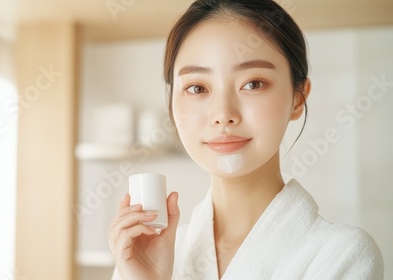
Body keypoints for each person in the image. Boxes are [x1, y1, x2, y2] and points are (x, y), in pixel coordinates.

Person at [108, 0, 384, 279]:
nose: (223, 114)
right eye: (197, 87)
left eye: (253, 84)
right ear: (171, 103)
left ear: (298, 98)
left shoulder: (342, 256)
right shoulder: (145, 255)